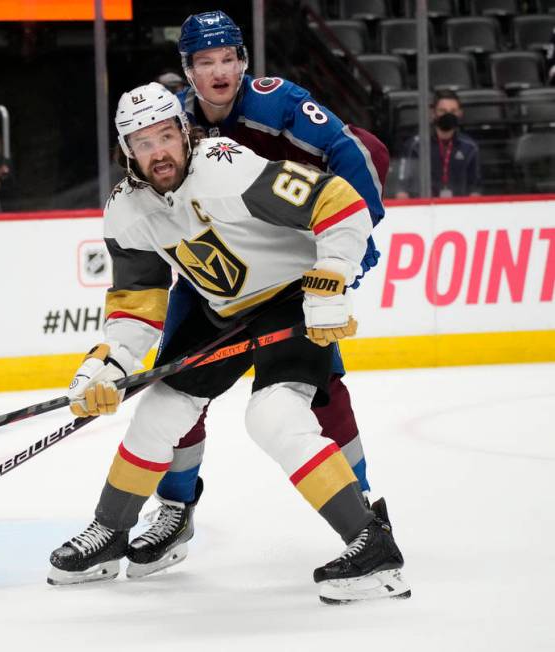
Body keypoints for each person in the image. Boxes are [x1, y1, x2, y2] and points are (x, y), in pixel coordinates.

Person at [48, 82, 410, 605]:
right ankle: (110, 533)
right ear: (127, 150)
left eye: (166, 135)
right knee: (159, 411)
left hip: (289, 296)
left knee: (274, 415)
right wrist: (106, 364)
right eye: (144, 143)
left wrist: (332, 274)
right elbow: (136, 302)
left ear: (184, 131)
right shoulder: (126, 212)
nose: (159, 152)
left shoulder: (227, 168)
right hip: (222, 310)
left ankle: (371, 546)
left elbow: (338, 201)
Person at [123, 10, 392, 579]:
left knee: (319, 388)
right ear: (187, 70)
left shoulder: (278, 104)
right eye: (205, 61)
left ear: (244, 61)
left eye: (228, 59)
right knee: (176, 383)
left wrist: (345, 256)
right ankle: (175, 509)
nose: (219, 72)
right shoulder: (171, 120)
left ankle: (363, 508)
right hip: (211, 277)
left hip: (289, 272)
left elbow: (359, 151)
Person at [394, 90, 482, 199]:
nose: (448, 115)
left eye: (453, 111)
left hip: (459, 209)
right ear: (433, 112)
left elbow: (474, 189)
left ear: (460, 113)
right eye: (443, 111)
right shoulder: (415, 145)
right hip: (423, 208)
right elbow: (402, 190)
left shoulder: (469, 147)